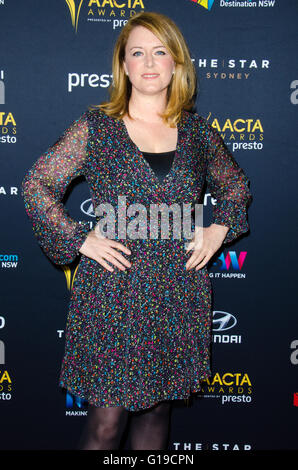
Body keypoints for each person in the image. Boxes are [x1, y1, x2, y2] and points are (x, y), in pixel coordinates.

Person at [21, 11, 252, 450]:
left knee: (156, 415)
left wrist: (218, 227)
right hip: (113, 290)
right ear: (124, 65)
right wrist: (78, 238)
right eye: (138, 52)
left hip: (176, 289)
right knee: (106, 425)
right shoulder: (97, 128)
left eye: (160, 51)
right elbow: (37, 184)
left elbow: (236, 186)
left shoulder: (199, 133)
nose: (149, 62)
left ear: (176, 64)